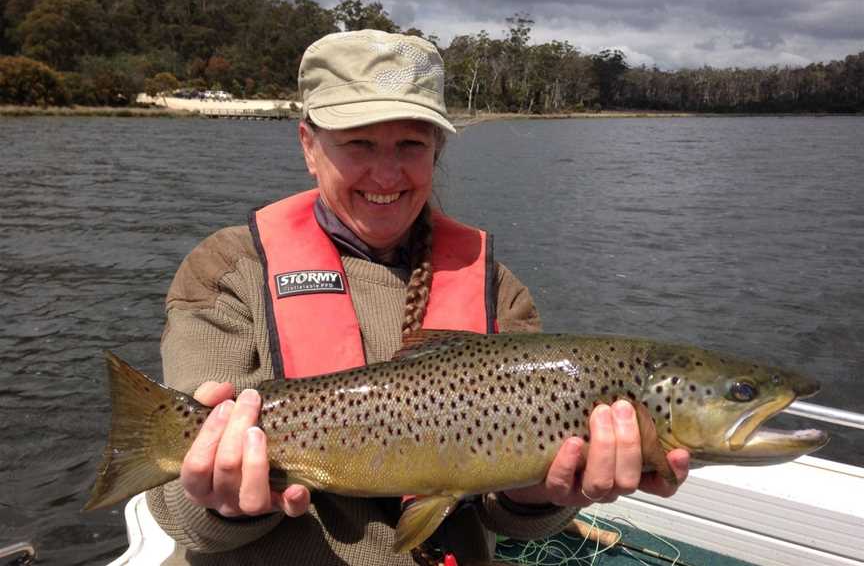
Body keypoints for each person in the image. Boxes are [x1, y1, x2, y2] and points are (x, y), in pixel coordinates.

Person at [145, 29, 690, 565]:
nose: (386, 173)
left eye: (411, 144)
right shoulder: (227, 271)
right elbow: (176, 512)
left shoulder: (497, 290)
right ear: (309, 145)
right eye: (358, 143)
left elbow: (507, 515)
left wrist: (543, 493)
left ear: (437, 149)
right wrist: (222, 504)